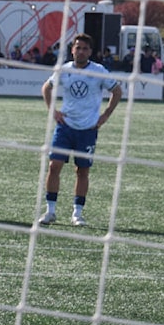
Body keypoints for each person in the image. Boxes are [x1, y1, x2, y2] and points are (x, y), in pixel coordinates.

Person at [39, 33, 121, 227]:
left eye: (85, 48)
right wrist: (54, 112)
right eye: (78, 48)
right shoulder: (64, 69)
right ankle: (50, 211)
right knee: (54, 166)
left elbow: (117, 91)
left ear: (90, 52)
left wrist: (105, 115)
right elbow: (46, 88)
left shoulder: (98, 71)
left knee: (82, 171)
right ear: (72, 50)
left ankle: (77, 213)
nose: (81, 51)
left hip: (88, 129)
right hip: (65, 127)